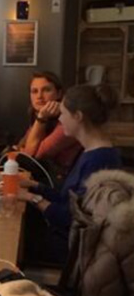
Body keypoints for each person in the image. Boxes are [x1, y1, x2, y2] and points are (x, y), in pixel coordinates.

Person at [18, 84, 121, 264]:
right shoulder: (91, 152)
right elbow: (68, 199)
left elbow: (71, 218)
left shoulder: (99, 161)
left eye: (63, 114)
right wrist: (34, 187)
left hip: (72, 249)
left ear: (78, 116)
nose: (60, 120)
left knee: (13, 239)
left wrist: (33, 199)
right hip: (66, 238)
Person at [17, 71, 82, 183]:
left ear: (59, 94)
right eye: (34, 91)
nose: (39, 96)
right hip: (45, 179)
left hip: (64, 185)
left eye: (46, 90)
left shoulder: (67, 121)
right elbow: (20, 147)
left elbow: (31, 157)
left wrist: (41, 119)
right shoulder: (40, 115)